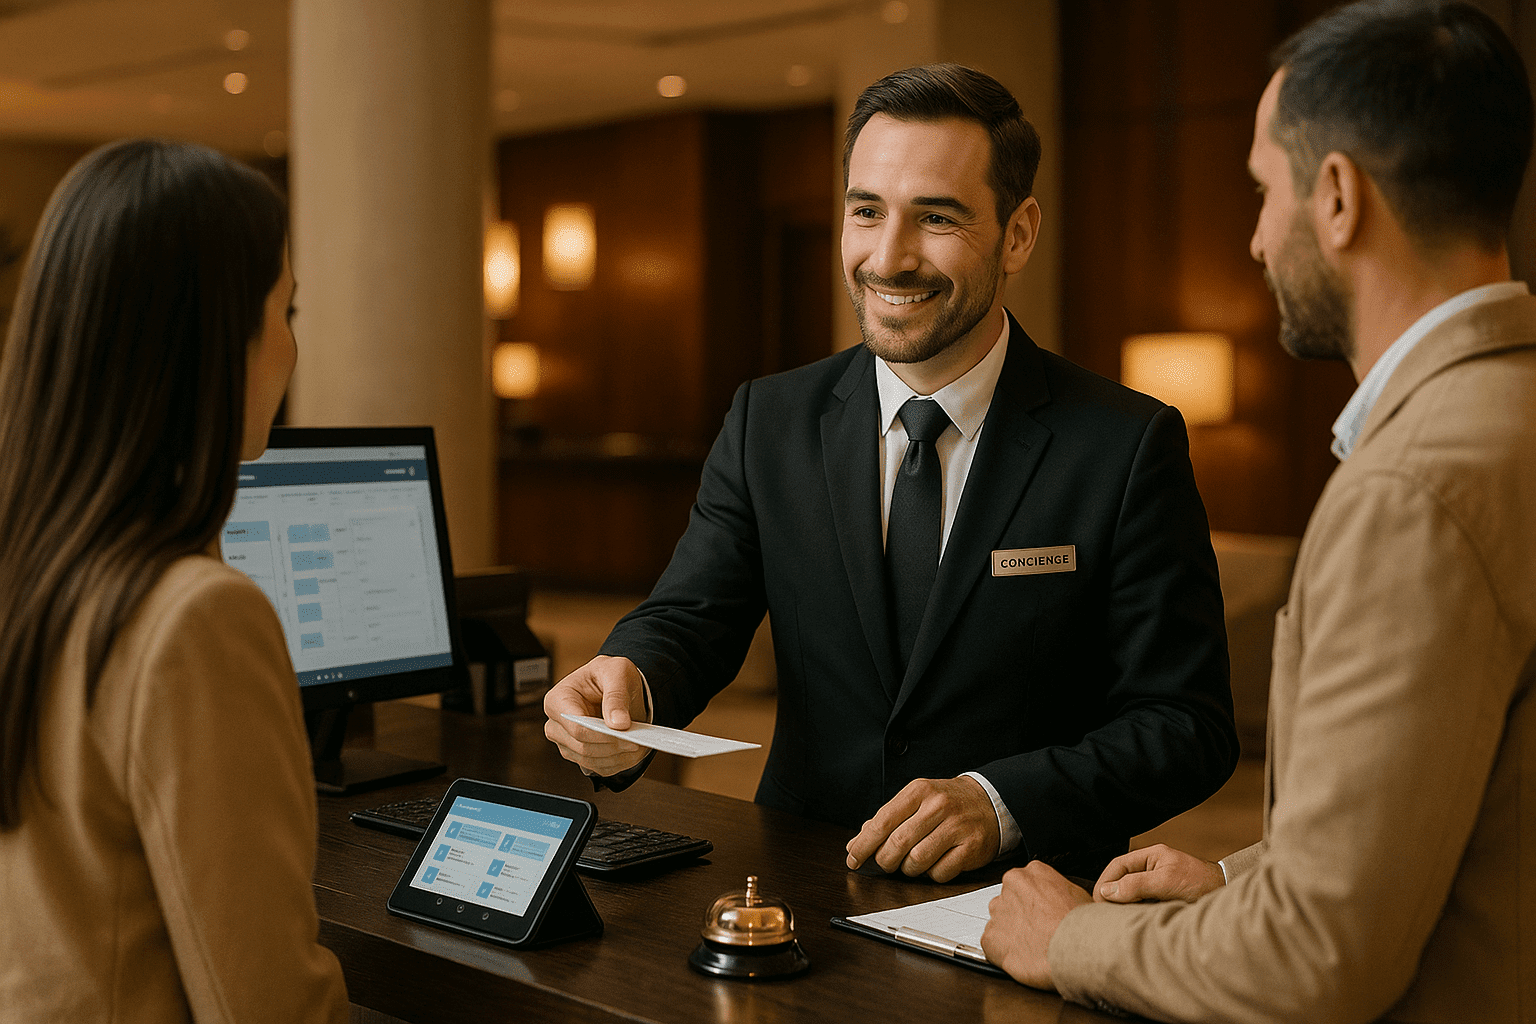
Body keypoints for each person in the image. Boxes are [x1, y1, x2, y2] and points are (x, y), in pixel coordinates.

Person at [545, 63, 1238, 884]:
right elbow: (693, 616)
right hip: (795, 883)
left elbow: (1186, 725)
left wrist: (999, 801)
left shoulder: (1125, 444)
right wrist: (630, 689)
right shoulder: (769, 419)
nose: (889, 257)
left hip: (1027, 908)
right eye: (866, 211)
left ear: (1018, 233)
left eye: (936, 218)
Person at [980, 2, 1536, 1020]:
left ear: (1336, 197)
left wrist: (1071, 938)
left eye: (1261, 192)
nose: (1254, 239)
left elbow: (1318, 960)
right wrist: (1244, 884)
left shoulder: (1410, 491)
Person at [0, 139, 349, 1021]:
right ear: (213, 337)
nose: (292, 350)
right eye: (288, 310)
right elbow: (266, 1006)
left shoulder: (33, 566)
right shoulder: (192, 618)